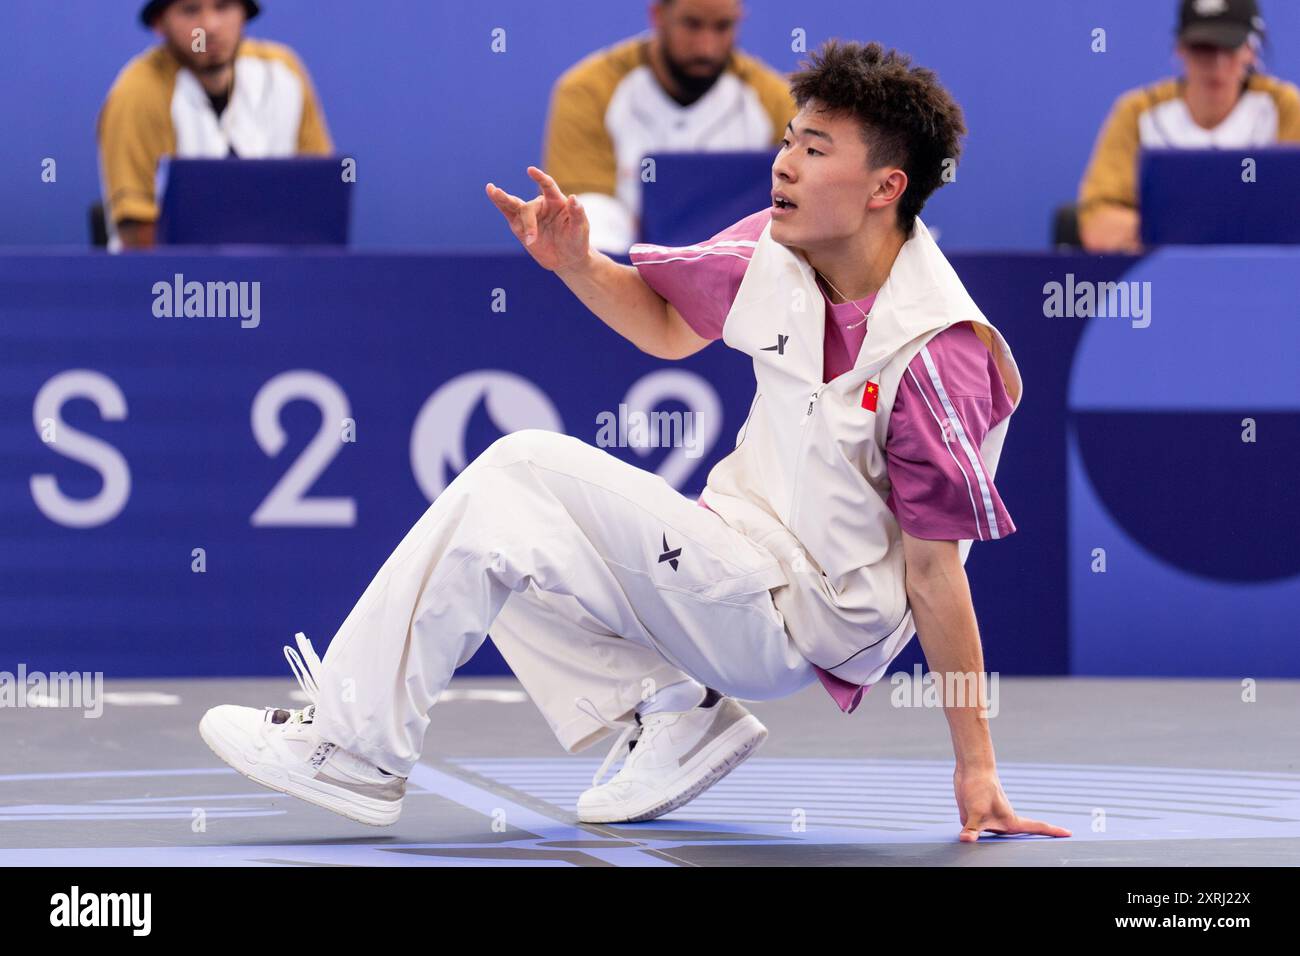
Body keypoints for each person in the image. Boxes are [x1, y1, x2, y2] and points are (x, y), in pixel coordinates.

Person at [200, 39, 1071, 843]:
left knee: (517, 468)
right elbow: (665, 327)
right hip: (733, 552)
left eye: (815, 148)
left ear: (886, 187)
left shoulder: (936, 356)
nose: (784, 162)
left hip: (796, 618)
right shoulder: (774, 245)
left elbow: (934, 572)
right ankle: (676, 709)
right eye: (789, 139)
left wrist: (977, 764)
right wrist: (578, 264)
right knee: (511, 544)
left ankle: (353, 747)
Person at [542, 0, 793, 253]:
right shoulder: (587, 92)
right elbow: (586, 214)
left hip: (742, 272)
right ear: (658, 15)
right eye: (692, 24)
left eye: (723, 26)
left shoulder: (775, 100)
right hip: (622, 272)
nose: (707, 47)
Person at [97, 0, 333, 251]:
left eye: (223, 6)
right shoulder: (136, 95)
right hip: (173, 285)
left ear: (244, 14)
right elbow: (137, 237)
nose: (209, 26)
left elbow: (320, 206)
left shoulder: (285, 73)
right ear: (159, 23)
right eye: (190, 10)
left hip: (278, 278)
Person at [1077, 0, 1300, 253]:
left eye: (1229, 47)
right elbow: (1098, 224)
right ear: (1180, 49)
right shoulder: (1137, 113)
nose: (1216, 63)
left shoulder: (1285, 108)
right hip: (1162, 279)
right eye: (1202, 48)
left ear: (1250, 49)